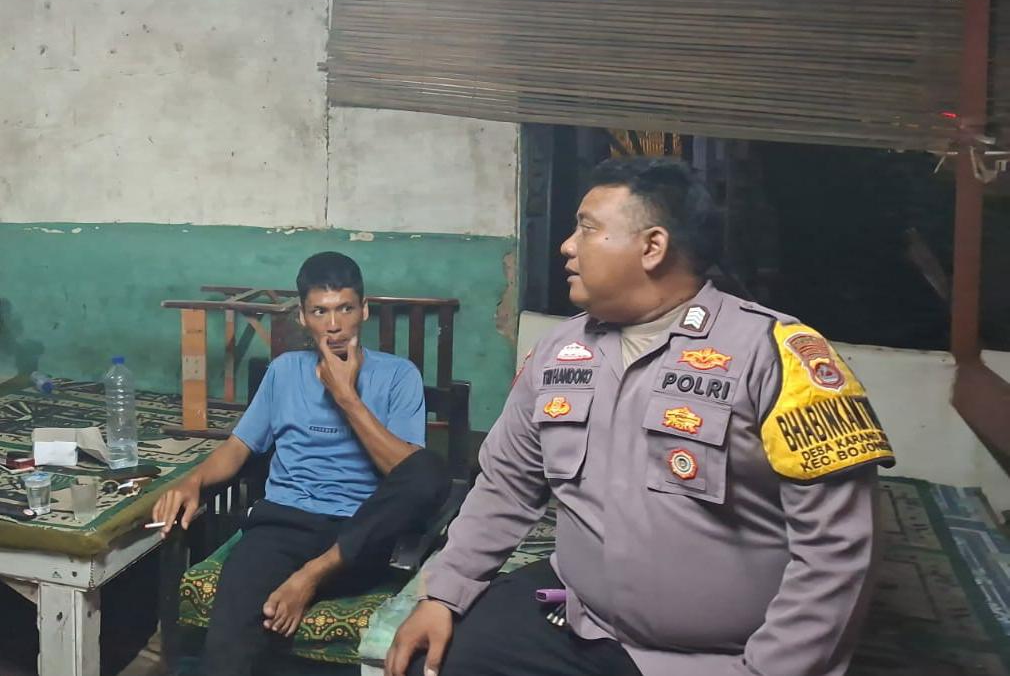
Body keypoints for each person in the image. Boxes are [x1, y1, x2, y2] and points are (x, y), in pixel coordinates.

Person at [387, 157, 894, 676]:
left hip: (721, 658)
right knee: (440, 661)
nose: (567, 246)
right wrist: (442, 595)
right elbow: (506, 485)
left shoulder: (776, 356)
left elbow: (837, 551)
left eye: (587, 228)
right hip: (581, 621)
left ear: (653, 247)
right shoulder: (559, 351)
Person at [153, 251, 448, 676]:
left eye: (345, 309)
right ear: (303, 317)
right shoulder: (285, 371)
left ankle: (311, 576)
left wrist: (346, 397)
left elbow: (408, 475)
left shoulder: (398, 376)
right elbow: (238, 447)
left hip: (360, 533)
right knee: (229, 642)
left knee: (429, 471)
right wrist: (193, 482)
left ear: (364, 310)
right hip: (283, 525)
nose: (334, 325)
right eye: (320, 312)